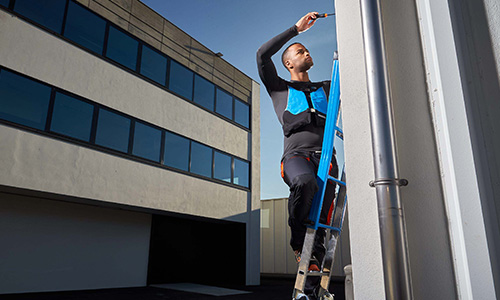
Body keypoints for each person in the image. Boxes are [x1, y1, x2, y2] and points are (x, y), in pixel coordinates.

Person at [256, 12, 338, 298]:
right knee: (304, 183)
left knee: (319, 225)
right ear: (289, 62)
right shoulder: (279, 88)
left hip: (327, 160)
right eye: (301, 51)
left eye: (308, 50)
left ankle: (312, 291)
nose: (307, 52)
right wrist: (296, 30)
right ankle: (295, 239)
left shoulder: (327, 88)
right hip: (296, 157)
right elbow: (262, 55)